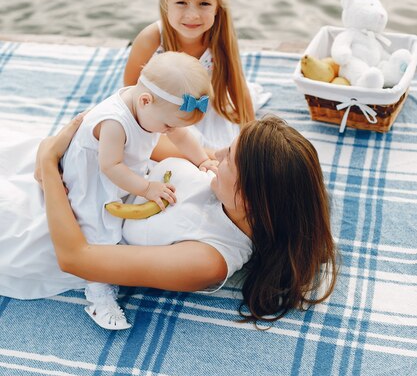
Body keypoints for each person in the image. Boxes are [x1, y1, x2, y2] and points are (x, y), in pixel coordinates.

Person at [0, 114, 338, 325]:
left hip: (52, 224)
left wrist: (48, 164)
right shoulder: (221, 186)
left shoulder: (208, 259)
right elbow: (146, 143)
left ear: (250, 198)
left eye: (228, 159)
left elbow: (76, 258)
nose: (216, 155)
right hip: (82, 177)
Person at [60, 50, 217, 330]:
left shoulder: (154, 109)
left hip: (127, 170)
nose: (168, 131)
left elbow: (180, 133)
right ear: (145, 101)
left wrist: (202, 159)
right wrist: (146, 188)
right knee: (99, 228)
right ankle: (98, 294)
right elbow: (110, 166)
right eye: (167, 125)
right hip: (94, 181)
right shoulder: (114, 122)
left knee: (137, 209)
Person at [124, 0, 271, 154]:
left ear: (217, 7)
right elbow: (129, 91)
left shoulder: (221, 39)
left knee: (234, 148)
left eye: (204, 4)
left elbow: (237, 86)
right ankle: (206, 157)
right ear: (166, 3)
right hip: (159, 113)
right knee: (149, 150)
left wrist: (250, 135)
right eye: (181, 2)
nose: (192, 15)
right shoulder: (151, 39)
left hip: (203, 111)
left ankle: (211, 156)